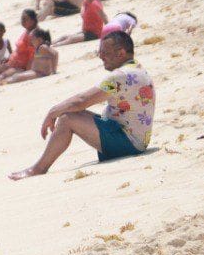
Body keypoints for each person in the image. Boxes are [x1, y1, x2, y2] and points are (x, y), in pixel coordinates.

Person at [10, 31, 153, 180]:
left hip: (127, 144)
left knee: (67, 119)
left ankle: (38, 169)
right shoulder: (137, 69)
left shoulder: (120, 77)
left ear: (121, 53)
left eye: (105, 52)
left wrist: (52, 112)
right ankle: (39, 167)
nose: (100, 56)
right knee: (71, 114)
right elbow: (81, 102)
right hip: (133, 140)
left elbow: (81, 101)